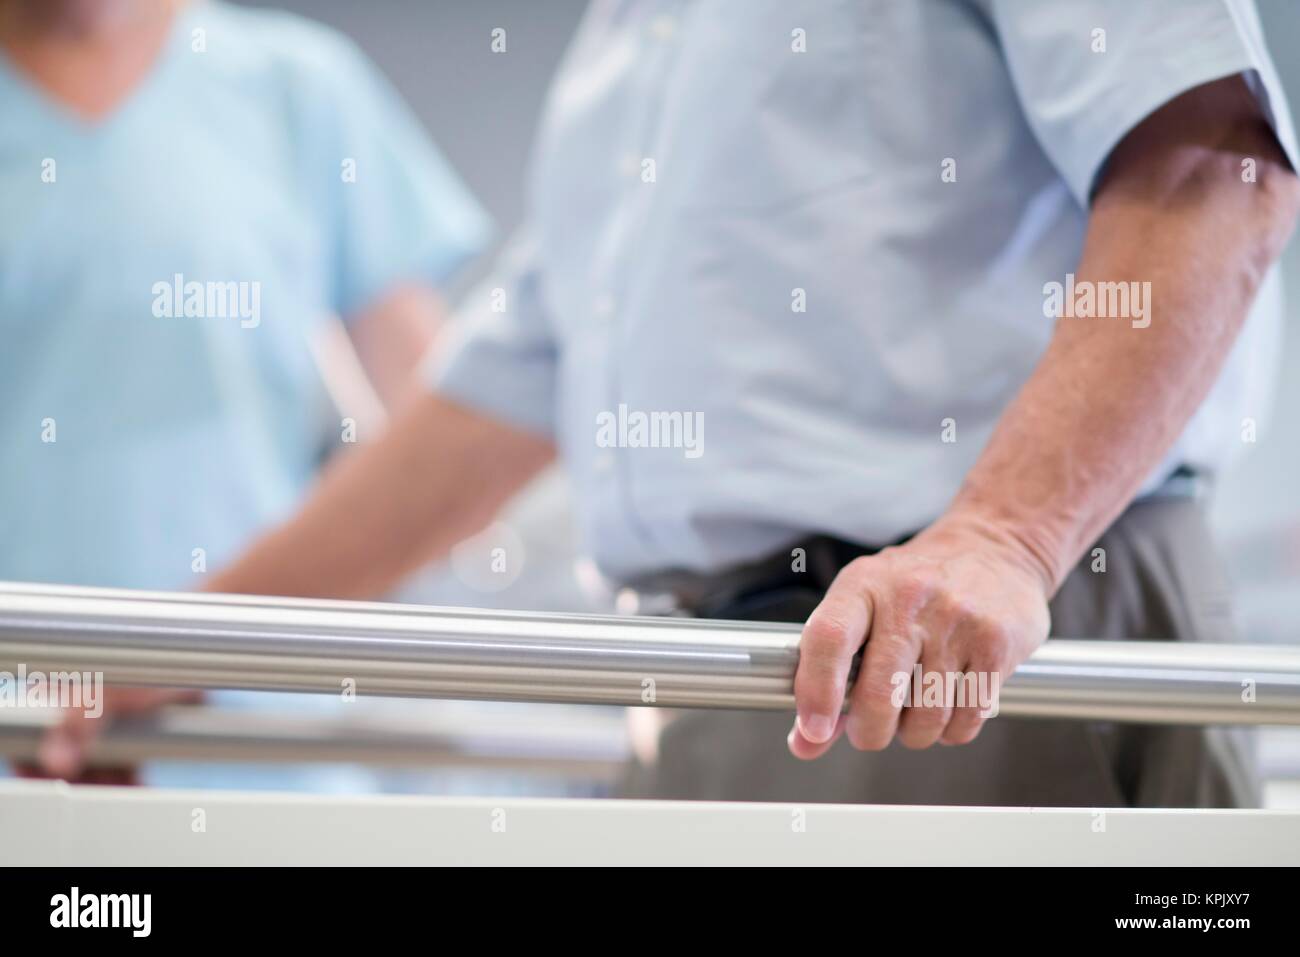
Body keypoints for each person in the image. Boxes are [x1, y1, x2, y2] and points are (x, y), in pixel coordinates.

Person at [40, 0, 1300, 806]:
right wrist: (187, 648)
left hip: (957, 658)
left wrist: (1003, 538)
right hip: (730, 683)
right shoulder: (634, 49)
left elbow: (1207, 161)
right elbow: (506, 383)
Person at [2, 0, 490, 780]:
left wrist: (206, 643)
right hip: (19, 738)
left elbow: (450, 428)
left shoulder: (295, 88)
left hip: (259, 737)